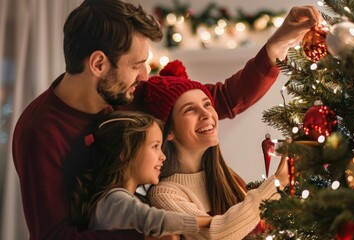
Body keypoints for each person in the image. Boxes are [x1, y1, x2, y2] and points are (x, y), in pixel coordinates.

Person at [11, 0, 321, 239]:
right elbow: (54, 236)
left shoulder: (129, 93)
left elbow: (221, 99)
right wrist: (150, 233)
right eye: (137, 65)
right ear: (98, 63)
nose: (145, 75)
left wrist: (279, 44)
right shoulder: (39, 133)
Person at [140, 60, 290, 239]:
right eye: (190, 110)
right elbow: (215, 234)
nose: (206, 114)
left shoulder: (227, 177)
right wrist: (277, 182)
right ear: (169, 131)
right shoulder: (164, 194)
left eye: (207, 104)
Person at [69, 110, 211, 237]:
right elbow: (157, 220)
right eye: (155, 146)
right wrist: (209, 221)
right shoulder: (114, 200)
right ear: (124, 153)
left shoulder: (124, 200)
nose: (163, 156)